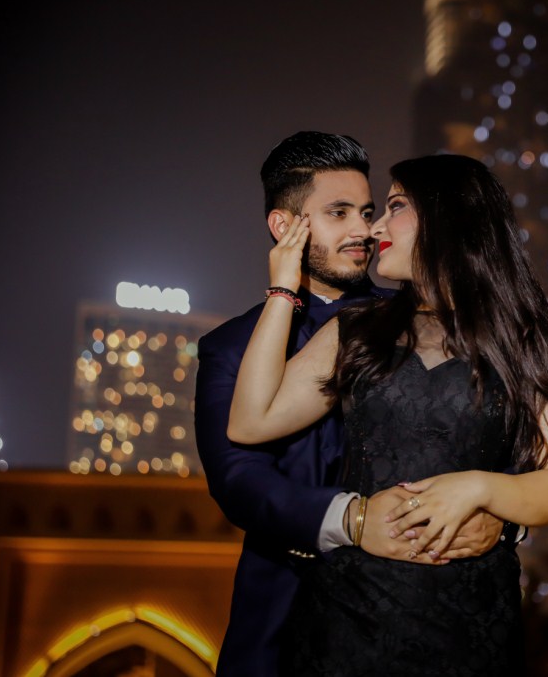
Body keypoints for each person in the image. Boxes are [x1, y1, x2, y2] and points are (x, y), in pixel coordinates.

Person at [228, 153, 548, 675]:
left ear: (449, 217)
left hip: (472, 628)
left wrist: (479, 488)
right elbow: (250, 421)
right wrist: (283, 291)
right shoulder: (355, 330)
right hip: (346, 623)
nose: (374, 227)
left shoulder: (536, 344)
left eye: (396, 206)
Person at [194, 134, 511, 677]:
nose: (363, 230)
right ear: (284, 227)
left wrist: (504, 522)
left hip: (424, 611)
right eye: (338, 213)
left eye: (368, 212)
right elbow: (238, 480)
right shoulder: (229, 347)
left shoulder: (426, 322)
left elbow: (501, 441)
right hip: (281, 616)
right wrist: (353, 520)